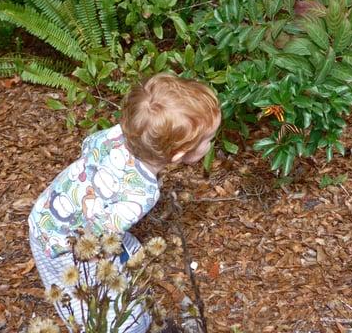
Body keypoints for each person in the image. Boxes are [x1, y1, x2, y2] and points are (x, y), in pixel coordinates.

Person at [28, 73, 221, 332]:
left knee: (128, 256)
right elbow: (97, 235)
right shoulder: (141, 194)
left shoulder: (118, 133)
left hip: (49, 208)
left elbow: (88, 147)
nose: (211, 144)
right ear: (178, 154)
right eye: (208, 140)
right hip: (60, 243)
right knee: (90, 307)